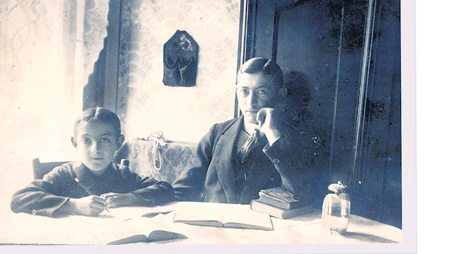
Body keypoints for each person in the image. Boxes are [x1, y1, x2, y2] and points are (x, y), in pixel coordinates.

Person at [172, 57, 326, 205]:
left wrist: (273, 134)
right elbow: (183, 189)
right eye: (244, 91)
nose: (251, 102)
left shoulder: (296, 138)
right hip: (215, 227)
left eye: (261, 92)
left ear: (280, 95)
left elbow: (301, 194)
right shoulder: (217, 133)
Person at [11, 107, 174, 217]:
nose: (95, 149)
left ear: (118, 143)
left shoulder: (122, 174)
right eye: (86, 141)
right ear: (75, 143)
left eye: (104, 140)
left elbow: (166, 189)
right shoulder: (63, 175)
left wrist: (129, 198)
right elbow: (19, 199)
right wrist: (73, 205)